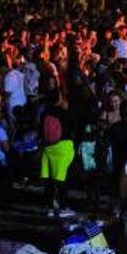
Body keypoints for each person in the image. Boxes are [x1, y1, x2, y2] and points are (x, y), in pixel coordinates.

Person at [39, 89, 76, 218]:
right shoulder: (64, 112)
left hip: (48, 148)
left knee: (49, 181)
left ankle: (50, 207)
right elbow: (73, 127)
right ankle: (63, 206)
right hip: (63, 147)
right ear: (59, 98)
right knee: (62, 180)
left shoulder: (44, 113)